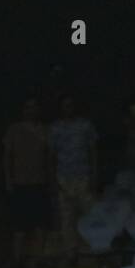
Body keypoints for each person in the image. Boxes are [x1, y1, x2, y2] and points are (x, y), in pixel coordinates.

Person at [3, 98, 55, 263]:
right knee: (19, 227)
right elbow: (7, 157)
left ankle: (38, 259)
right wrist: (8, 180)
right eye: (27, 107)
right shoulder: (14, 130)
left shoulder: (45, 130)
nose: (31, 110)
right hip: (20, 184)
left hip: (40, 183)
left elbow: (50, 157)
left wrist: (50, 180)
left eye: (34, 107)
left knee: (40, 225)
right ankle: (17, 261)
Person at [49, 94, 98, 251]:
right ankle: (72, 251)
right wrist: (54, 181)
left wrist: (94, 176)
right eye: (65, 105)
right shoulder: (55, 128)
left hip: (83, 176)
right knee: (67, 218)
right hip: (63, 178)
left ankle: (91, 248)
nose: (68, 108)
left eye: (70, 105)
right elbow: (51, 156)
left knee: (88, 215)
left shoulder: (85, 125)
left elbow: (93, 152)